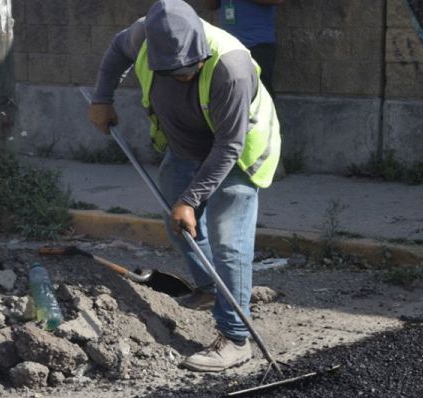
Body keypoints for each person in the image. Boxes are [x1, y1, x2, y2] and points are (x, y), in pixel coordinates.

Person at [88, 0, 282, 372]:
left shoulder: (232, 67)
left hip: (237, 155)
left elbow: (229, 145)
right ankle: (211, 289)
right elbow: (116, 52)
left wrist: (191, 200)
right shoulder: (145, 34)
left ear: (199, 48)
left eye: (189, 70)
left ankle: (236, 338)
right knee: (176, 223)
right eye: (173, 73)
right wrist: (102, 98)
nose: (183, 77)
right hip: (183, 148)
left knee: (229, 243)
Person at [204, 0, 282, 94]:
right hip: (228, 46)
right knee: (232, 92)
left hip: (258, 44)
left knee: (261, 91)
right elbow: (211, 6)